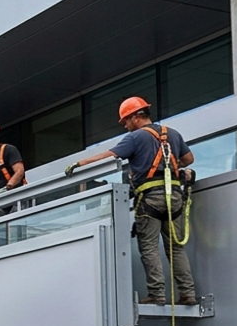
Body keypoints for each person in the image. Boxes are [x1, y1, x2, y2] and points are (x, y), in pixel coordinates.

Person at [66, 96, 197, 306]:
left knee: (149, 248)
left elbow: (110, 156)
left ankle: (157, 294)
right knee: (176, 248)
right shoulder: (172, 134)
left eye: (126, 121)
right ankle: (188, 293)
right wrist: (169, 165)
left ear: (136, 117)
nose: (125, 126)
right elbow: (189, 159)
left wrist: (81, 163)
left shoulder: (136, 137)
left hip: (150, 199)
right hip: (174, 198)